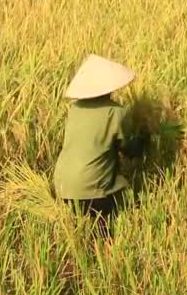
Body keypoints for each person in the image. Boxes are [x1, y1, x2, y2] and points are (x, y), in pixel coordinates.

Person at [54, 54, 149, 238]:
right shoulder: (116, 113)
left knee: (78, 229)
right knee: (110, 224)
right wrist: (145, 137)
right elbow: (130, 150)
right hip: (91, 190)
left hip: (62, 186)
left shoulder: (74, 109)